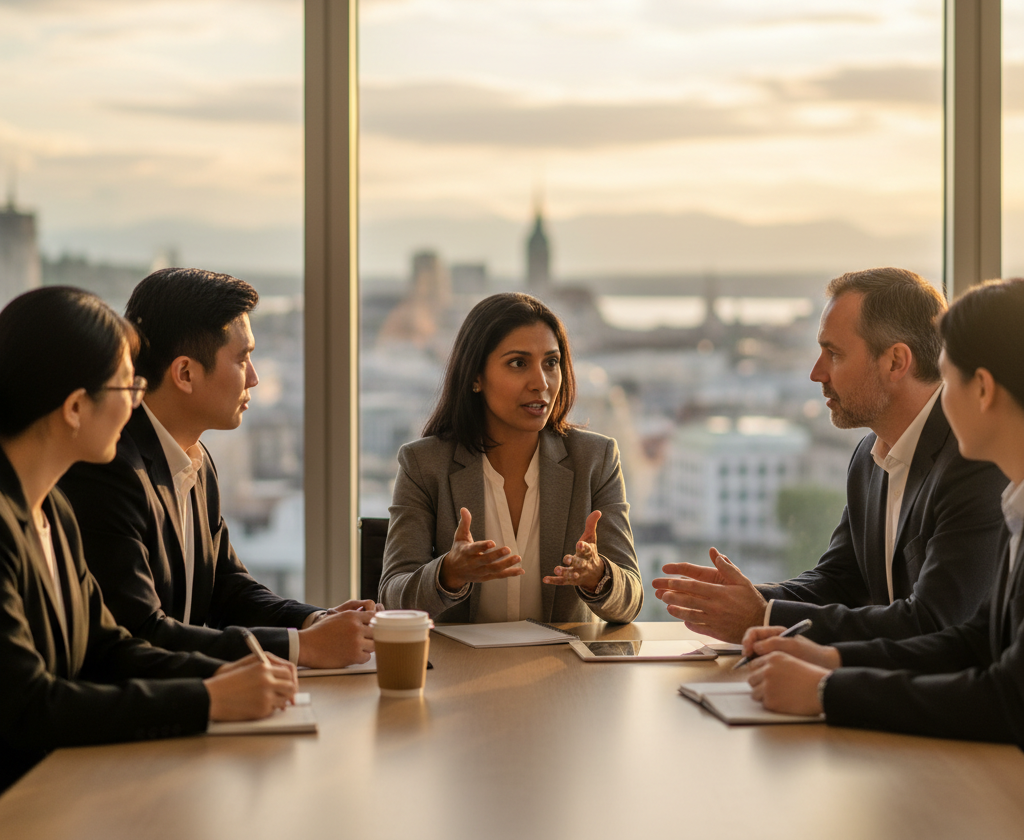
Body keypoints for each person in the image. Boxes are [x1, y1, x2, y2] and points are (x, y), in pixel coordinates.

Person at [0, 287, 297, 793]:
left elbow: (107, 647)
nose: (138, 401)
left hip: (64, 790)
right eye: (126, 387)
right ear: (75, 408)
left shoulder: (55, 511)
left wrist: (227, 679)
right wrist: (208, 699)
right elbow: (28, 707)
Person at [653, 268, 1007, 644]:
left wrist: (762, 616)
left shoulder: (975, 462)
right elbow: (838, 581)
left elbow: (934, 623)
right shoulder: (869, 458)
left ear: (895, 362)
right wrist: (748, 600)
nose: (815, 373)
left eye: (833, 354)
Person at [741, 278, 1024, 745]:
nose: (940, 398)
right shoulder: (1015, 503)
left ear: (984, 390)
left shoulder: (981, 479)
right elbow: (972, 643)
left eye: (948, 378)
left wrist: (827, 690)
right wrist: (830, 661)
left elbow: (1007, 698)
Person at [59, 269, 375, 667]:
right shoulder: (111, 469)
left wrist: (315, 620)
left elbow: (227, 587)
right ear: (185, 374)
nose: (255, 378)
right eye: (243, 358)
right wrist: (302, 647)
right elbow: (140, 633)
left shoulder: (196, 459)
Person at [379, 292, 643, 623]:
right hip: (460, 672)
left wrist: (598, 574)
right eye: (518, 363)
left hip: (562, 670)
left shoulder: (595, 459)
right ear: (476, 377)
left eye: (551, 362)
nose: (541, 383)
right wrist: (448, 572)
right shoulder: (423, 464)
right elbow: (392, 599)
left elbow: (630, 601)